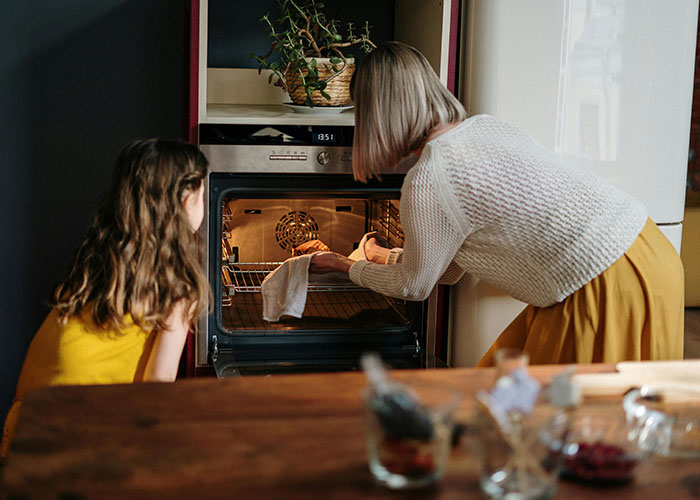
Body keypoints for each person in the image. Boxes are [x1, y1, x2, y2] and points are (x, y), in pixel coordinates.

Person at [309, 41, 684, 366]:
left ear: (378, 114)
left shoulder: (428, 179)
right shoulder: (486, 128)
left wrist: (344, 266)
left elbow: (415, 286)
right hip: (649, 254)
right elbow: (449, 268)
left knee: (567, 426)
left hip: (601, 287)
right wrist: (376, 256)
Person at [1, 138, 210, 458]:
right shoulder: (178, 284)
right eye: (203, 195)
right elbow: (158, 382)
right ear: (185, 202)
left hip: (31, 422)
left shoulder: (101, 255)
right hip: (92, 432)